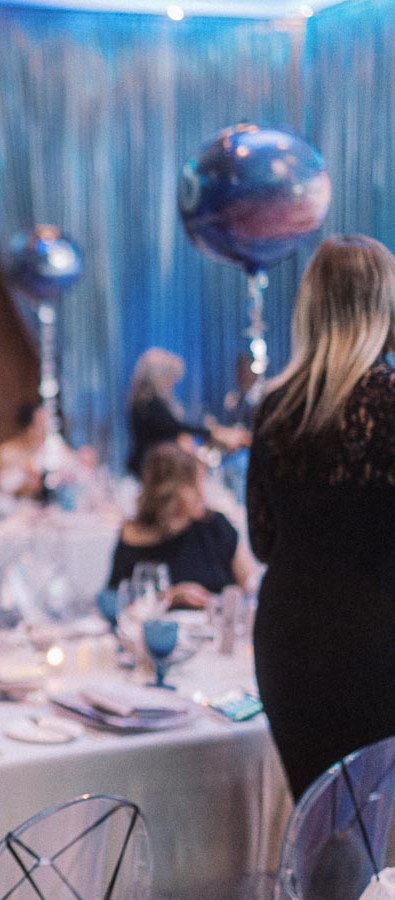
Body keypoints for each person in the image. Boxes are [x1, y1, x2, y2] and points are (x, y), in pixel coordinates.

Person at [248, 235, 395, 798]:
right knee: (376, 841)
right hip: (377, 639)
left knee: (325, 836)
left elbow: (263, 541)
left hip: (291, 643)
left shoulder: (275, 408)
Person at [107, 444, 253, 609]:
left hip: (217, 628)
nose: (202, 493)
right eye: (194, 484)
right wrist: (170, 597)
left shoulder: (215, 525)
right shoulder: (134, 535)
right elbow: (114, 601)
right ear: (171, 493)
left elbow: (250, 585)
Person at [126, 348, 246, 477]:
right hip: (150, 469)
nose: (172, 385)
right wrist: (213, 432)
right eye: (171, 379)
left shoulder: (147, 402)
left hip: (154, 466)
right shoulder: (147, 403)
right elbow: (173, 426)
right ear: (159, 376)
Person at [0, 402, 76, 499]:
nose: (47, 428)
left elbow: (75, 470)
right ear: (29, 428)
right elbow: (4, 488)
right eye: (41, 424)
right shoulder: (7, 452)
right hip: (17, 508)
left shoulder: (54, 446)